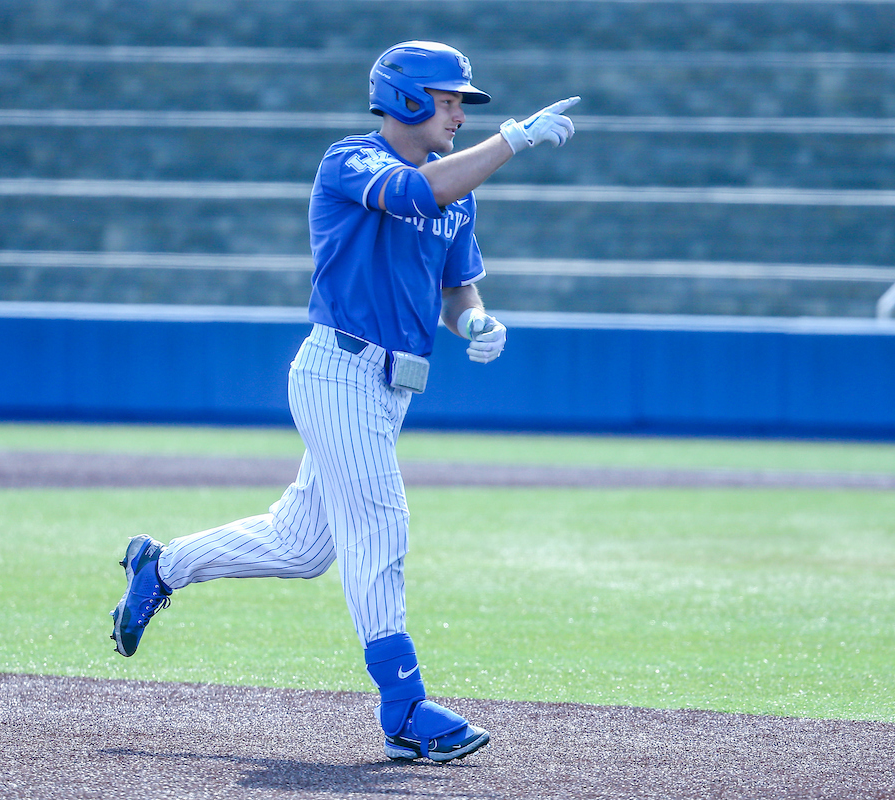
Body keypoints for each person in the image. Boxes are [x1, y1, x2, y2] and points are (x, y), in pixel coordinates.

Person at [109, 41, 580, 763]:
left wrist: (475, 322)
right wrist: (511, 140)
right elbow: (412, 195)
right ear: (408, 99)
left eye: (461, 101)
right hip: (339, 369)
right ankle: (404, 708)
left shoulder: (458, 190)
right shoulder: (351, 159)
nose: (459, 110)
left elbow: (458, 289)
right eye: (449, 98)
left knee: (301, 545)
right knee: (381, 524)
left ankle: (162, 566)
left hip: (390, 388)